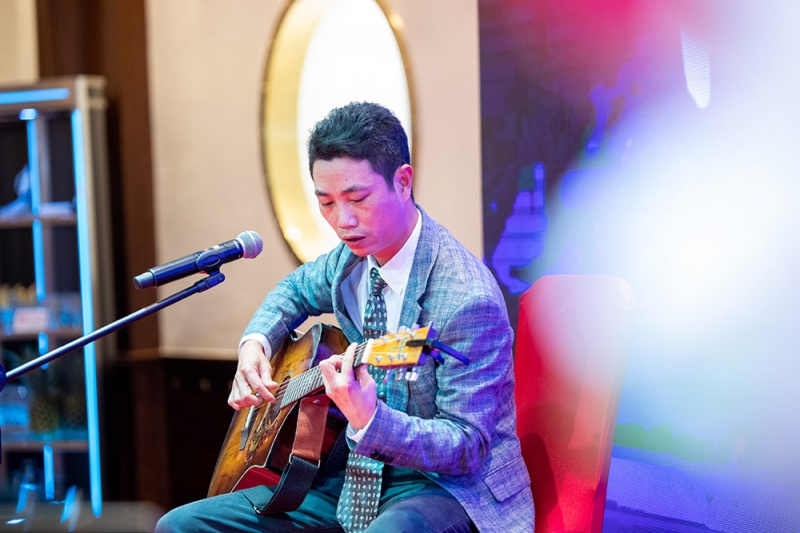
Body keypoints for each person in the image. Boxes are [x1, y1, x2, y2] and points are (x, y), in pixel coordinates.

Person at [156, 102, 534, 532]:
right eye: (327, 202)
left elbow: (467, 446)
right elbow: (294, 290)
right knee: (182, 526)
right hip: (354, 475)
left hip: (445, 487)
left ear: (403, 181)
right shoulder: (350, 261)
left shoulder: (466, 298)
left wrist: (371, 419)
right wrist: (255, 343)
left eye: (357, 198)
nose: (342, 221)